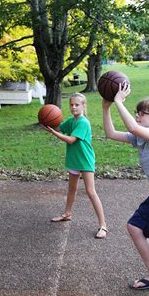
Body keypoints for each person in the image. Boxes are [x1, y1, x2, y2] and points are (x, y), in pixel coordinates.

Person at [102, 86, 149, 290]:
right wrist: (106, 107)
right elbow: (111, 133)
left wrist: (120, 101)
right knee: (135, 227)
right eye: (137, 113)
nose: (137, 116)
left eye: (142, 113)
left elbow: (133, 128)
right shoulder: (141, 137)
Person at [43, 92, 108, 238]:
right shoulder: (71, 121)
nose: (73, 107)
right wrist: (47, 120)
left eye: (77, 105)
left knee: (91, 192)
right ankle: (67, 213)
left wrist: (54, 133)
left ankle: (103, 225)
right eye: (71, 105)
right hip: (74, 159)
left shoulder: (83, 122)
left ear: (84, 106)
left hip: (85, 160)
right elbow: (60, 126)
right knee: (72, 189)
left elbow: (71, 140)